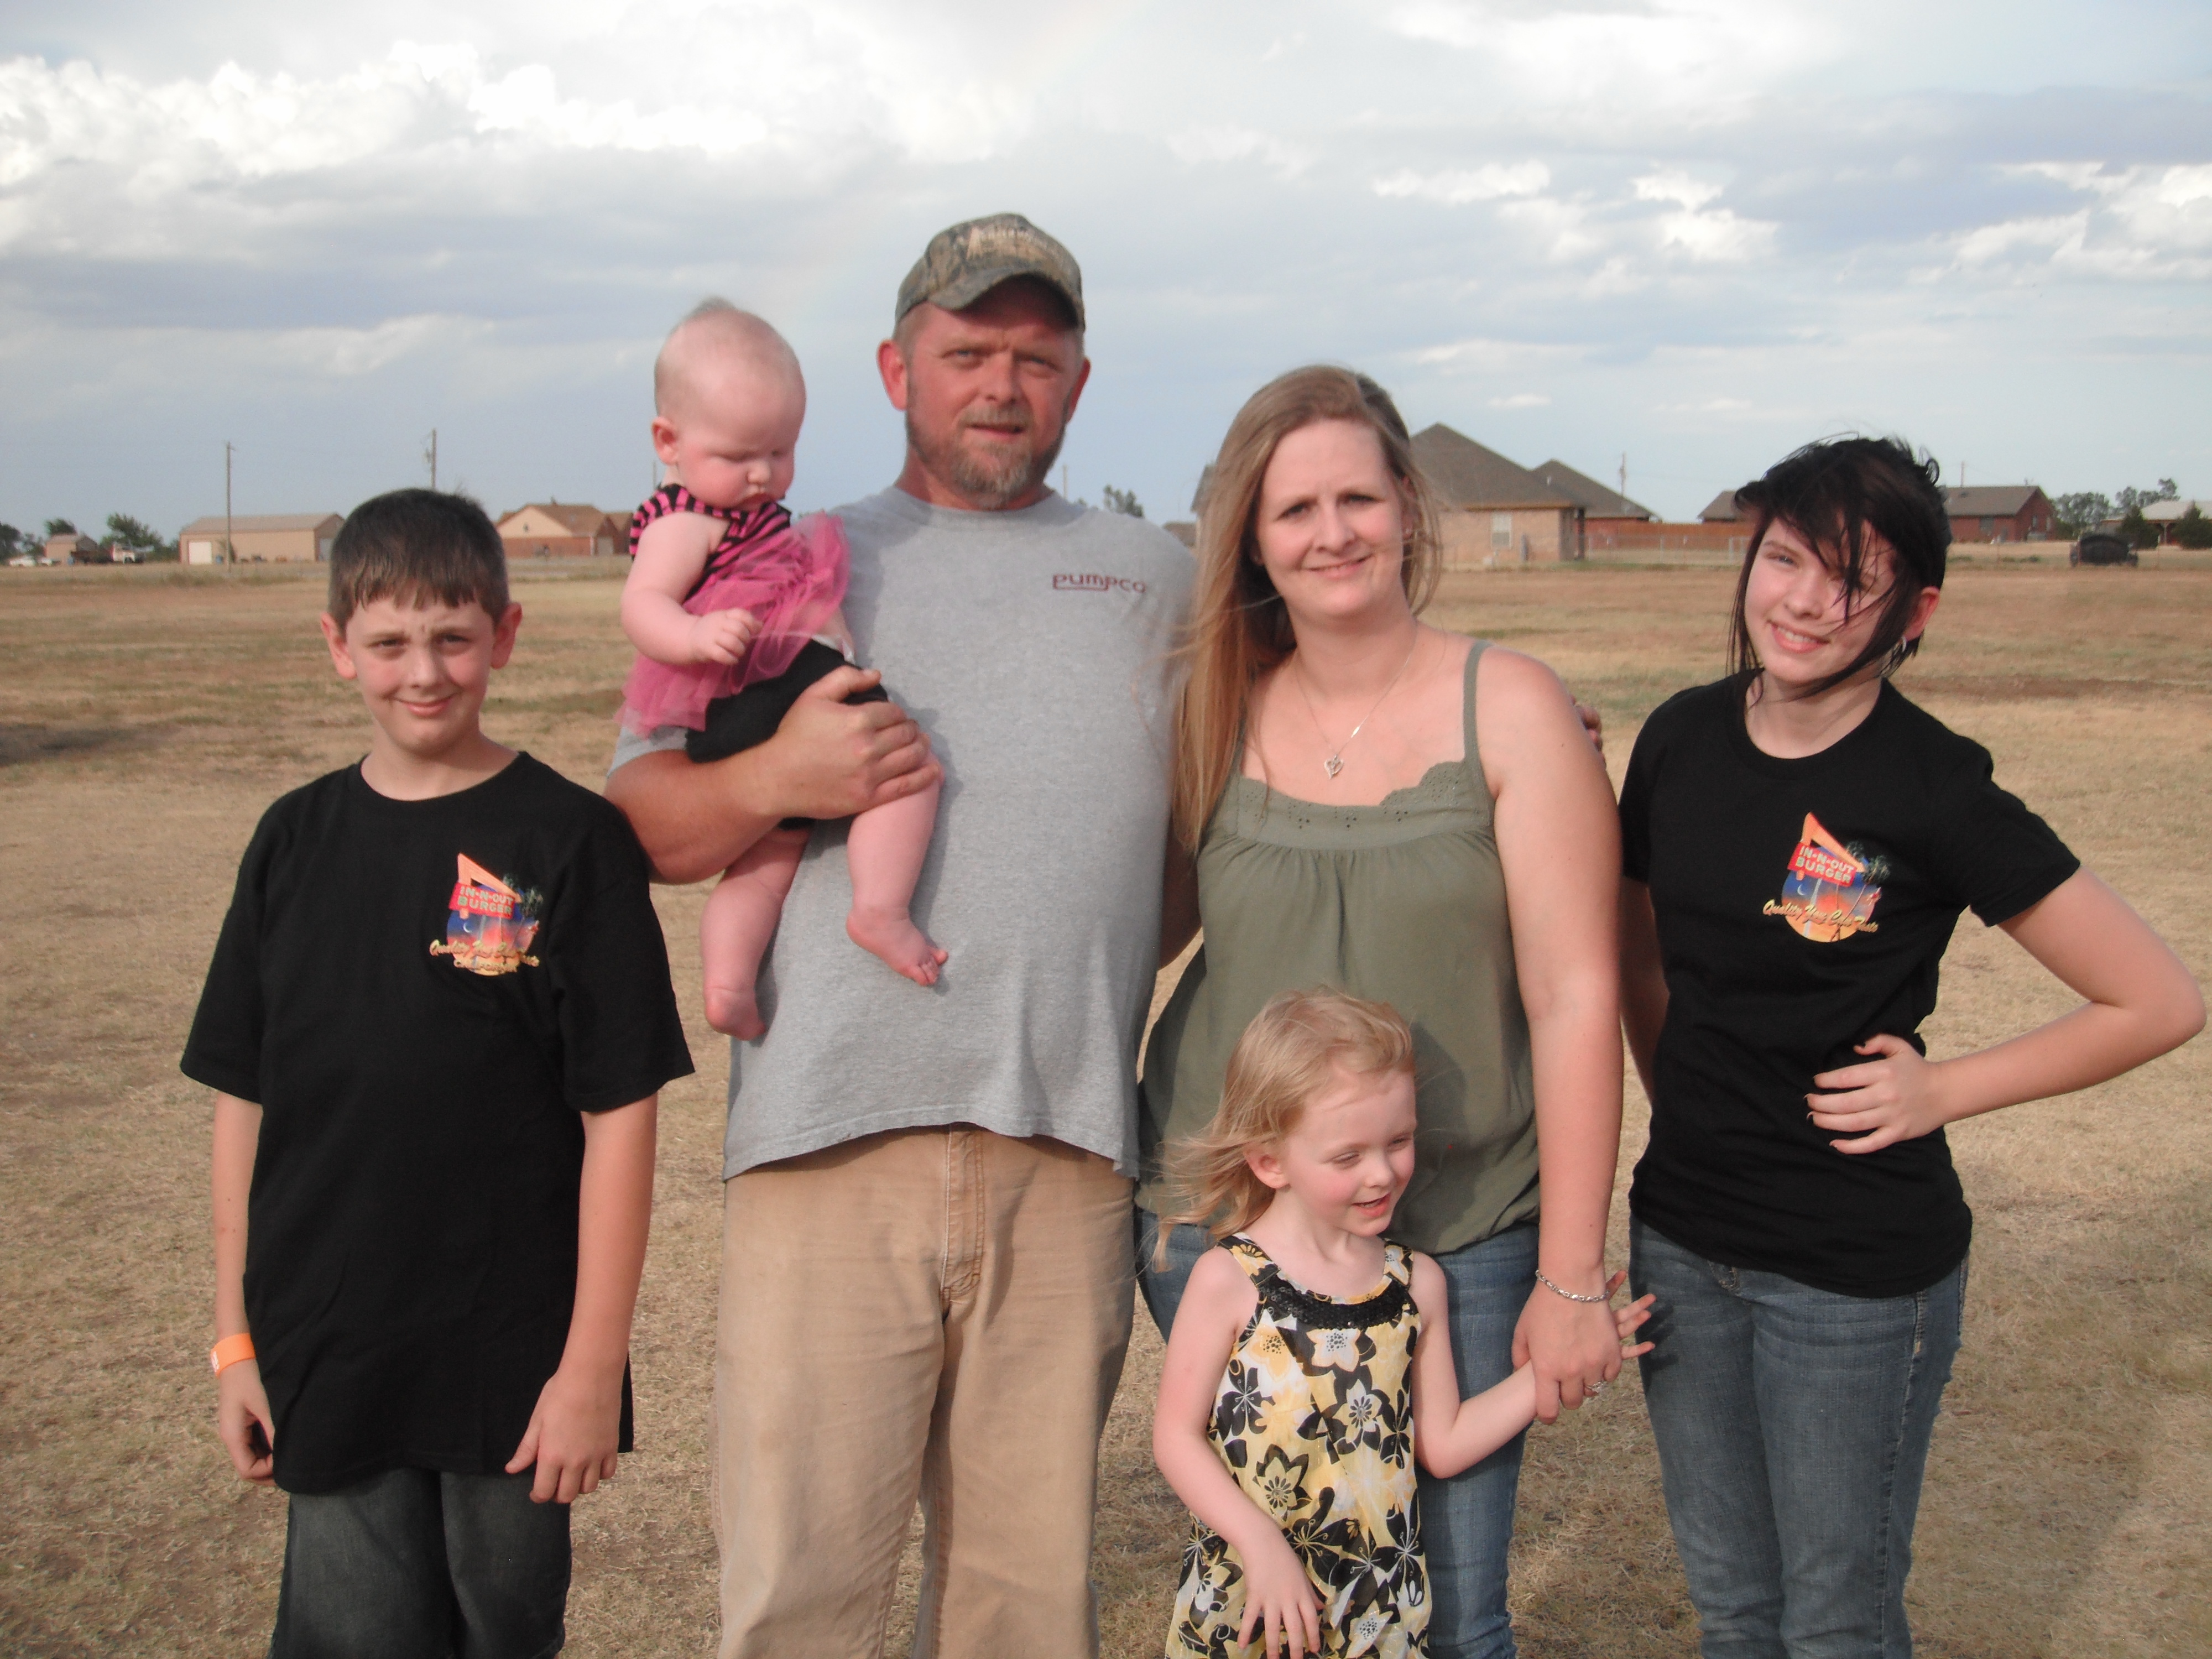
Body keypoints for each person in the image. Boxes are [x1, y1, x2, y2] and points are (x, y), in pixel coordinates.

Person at [603, 213, 1195, 1658]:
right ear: (893, 370)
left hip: (1063, 1155)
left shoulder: (1158, 579)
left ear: (1080, 380)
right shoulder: (782, 556)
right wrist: (776, 778)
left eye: (1036, 359)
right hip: (824, 1147)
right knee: (799, 1599)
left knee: (1023, 1613)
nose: (1001, 385)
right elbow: (646, 826)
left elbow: (1231, 822)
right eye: (966, 352)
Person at [1616, 435, 2204, 1659]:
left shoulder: (1931, 785)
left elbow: (2155, 1001)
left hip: (1852, 1277)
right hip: (1679, 1246)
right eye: (1786, 559)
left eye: (1854, 581)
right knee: (1733, 1610)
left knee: (1835, 1621)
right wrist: (1680, 1099)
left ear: (1914, 611)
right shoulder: (1677, 738)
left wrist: (1945, 1089)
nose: (1805, 603)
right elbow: (1637, 957)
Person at [1135, 366, 1626, 1659]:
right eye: (1293, 508)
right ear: (1250, 538)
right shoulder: (1211, 709)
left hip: (1460, 1226)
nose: (1331, 532)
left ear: (1408, 504)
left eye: (1357, 496)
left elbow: (1575, 995)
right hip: (1224, 1223)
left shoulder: (1510, 705)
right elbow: (1143, 931)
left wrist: (1572, 1271)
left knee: (1446, 1612)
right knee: (1274, 1596)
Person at [184, 489, 693, 1657]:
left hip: (512, 1358)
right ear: (338, 647)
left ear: (504, 635)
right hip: (327, 1341)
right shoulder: (290, 841)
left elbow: (620, 1118)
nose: (424, 672)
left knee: (502, 1630)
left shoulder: (570, 840)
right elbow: (242, 1103)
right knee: (353, 1632)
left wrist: (590, 1368)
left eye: (453, 638)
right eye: (389, 643)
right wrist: (235, 1342)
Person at [1152, 989, 1654, 1659]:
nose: (1383, 1173)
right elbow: (1175, 1439)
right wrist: (1260, 1546)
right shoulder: (1229, 1280)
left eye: (1398, 1141)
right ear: (1269, 1161)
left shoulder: (1415, 1285)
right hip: (1253, 1602)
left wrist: (1558, 1368)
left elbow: (1442, 1443)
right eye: (1347, 1157)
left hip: (1377, 1612)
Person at [618, 300, 945, 1039]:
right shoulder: (684, 519)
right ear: (669, 441)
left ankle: (729, 983)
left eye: (780, 451)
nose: (763, 474)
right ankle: (880, 908)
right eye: (738, 456)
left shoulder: (746, 513)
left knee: (766, 861)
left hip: (744, 711)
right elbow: (641, 604)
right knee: (909, 770)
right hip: (763, 685)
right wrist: (695, 634)